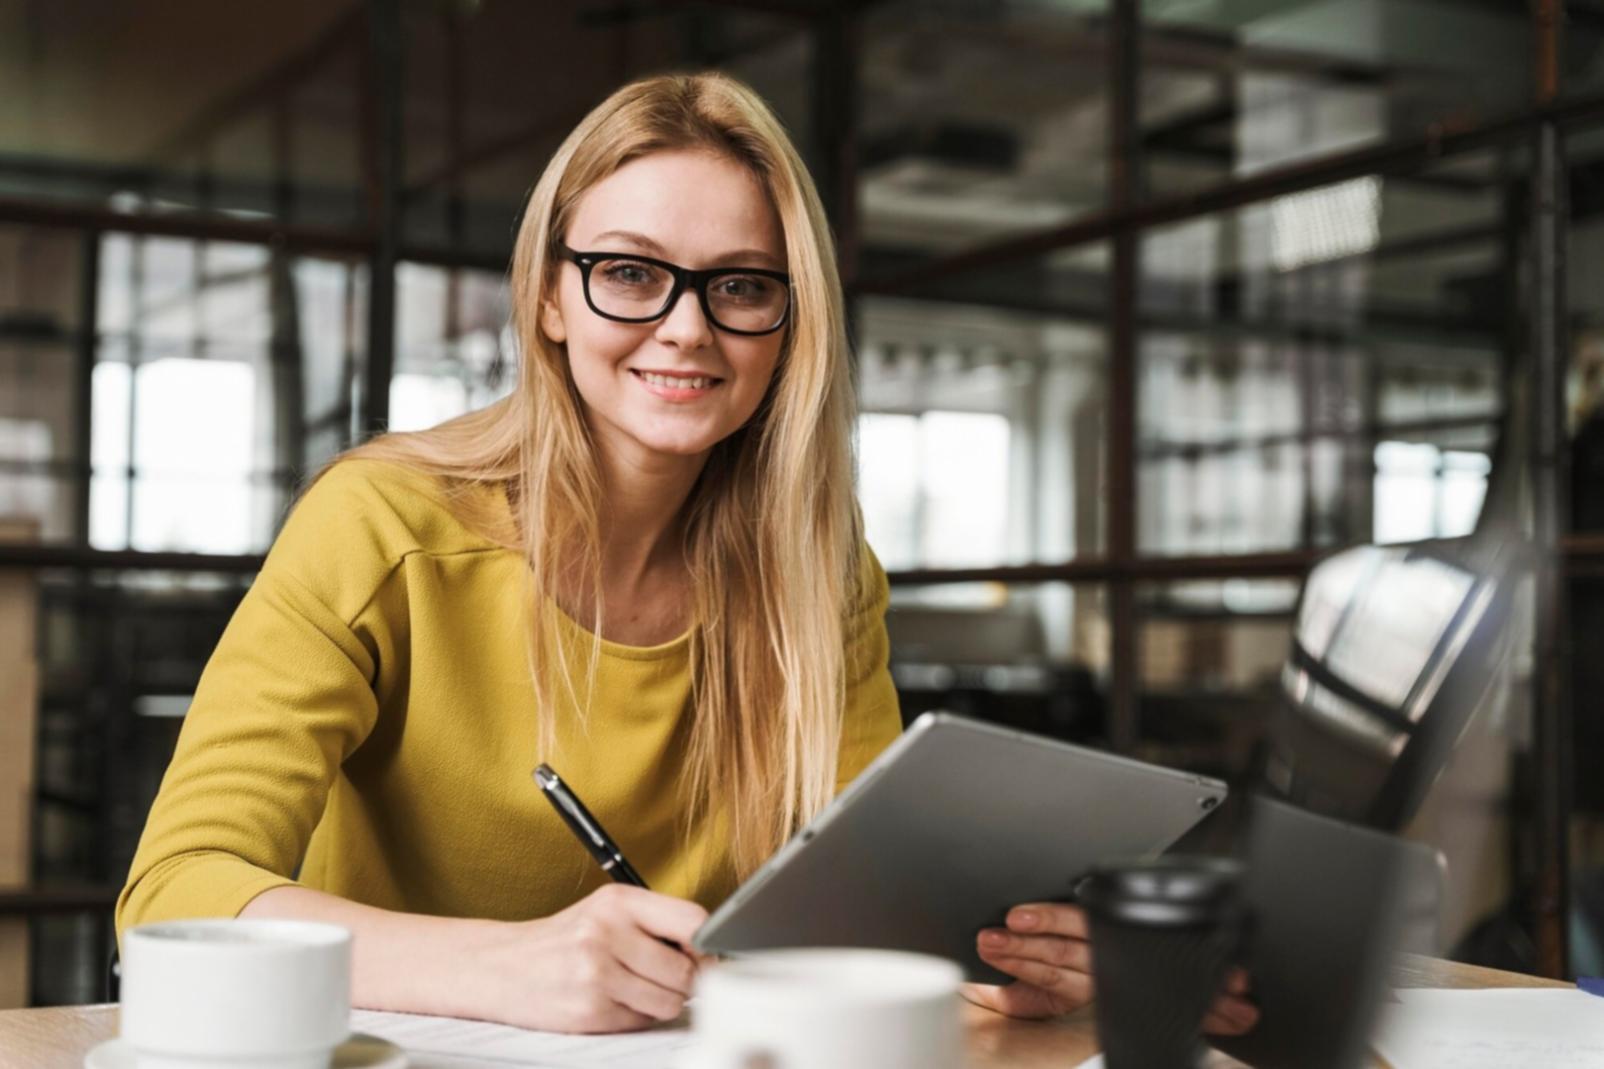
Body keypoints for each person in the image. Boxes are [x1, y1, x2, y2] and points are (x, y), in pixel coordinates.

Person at [116, 71, 1257, 1036]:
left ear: (788, 321)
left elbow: (859, 913)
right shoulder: (382, 522)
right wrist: (505, 965)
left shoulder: (819, 570)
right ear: (551, 297)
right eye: (629, 271)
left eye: (742, 286)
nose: (687, 326)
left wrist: (1030, 960)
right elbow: (173, 893)